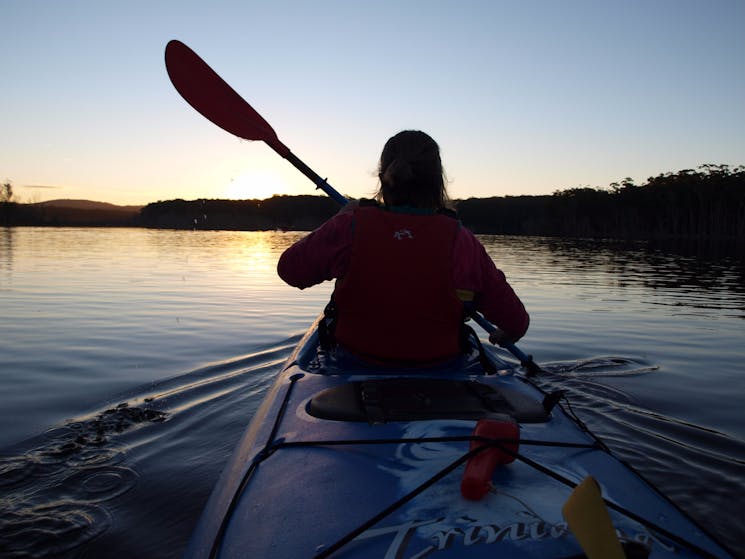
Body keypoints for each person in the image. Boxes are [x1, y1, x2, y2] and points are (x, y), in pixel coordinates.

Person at [277, 130, 529, 365]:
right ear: (437, 182)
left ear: (382, 176)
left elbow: (290, 270)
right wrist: (505, 332)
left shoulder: (349, 226)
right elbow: (517, 322)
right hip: (440, 368)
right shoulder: (462, 240)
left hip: (353, 361)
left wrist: (340, 217)